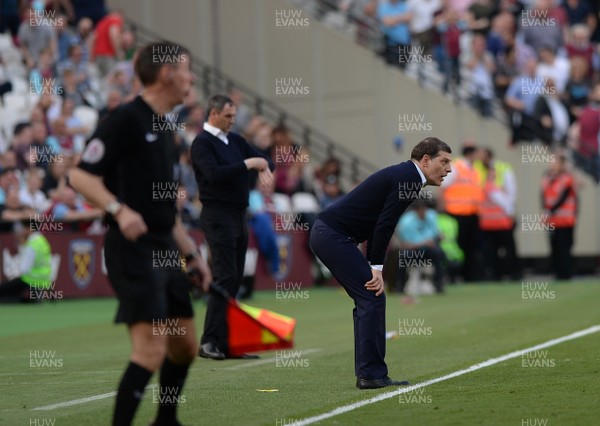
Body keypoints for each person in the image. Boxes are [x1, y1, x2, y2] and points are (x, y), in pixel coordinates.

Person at [69, 41, 212, 426]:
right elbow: (79, 175)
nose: (191, 77)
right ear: (167, 73)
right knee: (150, 350)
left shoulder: (165, 130)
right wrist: (118, 208)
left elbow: (168, 214)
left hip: (166, 247)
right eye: (186, 69)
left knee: (184, 346)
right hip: (132, 248)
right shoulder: (126, 119)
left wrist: (193, 258)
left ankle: (166, 420)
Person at [309, 137, 452, 389]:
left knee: (370, 297)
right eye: (444, 161)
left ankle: (370, 372)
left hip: (331, 234)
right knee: (372, 297)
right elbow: (385, 225)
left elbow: (378, 224)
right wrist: (376, 268)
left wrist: (373, 265)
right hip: (332, 235)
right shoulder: (408, 178)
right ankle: (371, 375)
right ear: (426, 160)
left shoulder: (408, 176)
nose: (449, 169)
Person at [190, 94, 275, 360]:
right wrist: (249, 165)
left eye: (233, 116)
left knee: (234, 278)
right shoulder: (202, 143)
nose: (231, 121)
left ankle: (228, 340)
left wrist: (262, 167)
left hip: (239, 214)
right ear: (213, 114)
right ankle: (210, 341)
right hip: (217, 214)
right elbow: (214, 176)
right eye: (227, 116)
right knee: (224, 277)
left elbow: (263, 159)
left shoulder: (235, 140)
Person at [474, 148, 521, 281]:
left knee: (508, 249)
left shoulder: (502, 168)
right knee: (490, 251)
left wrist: (510, 211)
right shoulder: (477, 168)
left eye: (481, 155)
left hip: (503, 220)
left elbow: (511, 193)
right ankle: (495, 274)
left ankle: (512, 273)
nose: (479, 158)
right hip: (487, 221)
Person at [440, 144, 484, 282]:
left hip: (471, 213)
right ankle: (458, 274)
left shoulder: (473, 170)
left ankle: (470, 275)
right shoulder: (457, 167)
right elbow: (443, 186)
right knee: (460, 245)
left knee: (472, 246)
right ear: (470, 154)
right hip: (456, 214)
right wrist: (442, 209)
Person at [396, 199, 446, 293]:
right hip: (413, 250)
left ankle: (439, 285)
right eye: (421, 210)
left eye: (424, 209)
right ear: (415, 211)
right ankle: (400, 286)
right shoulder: (406, 222)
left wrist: (439, 236)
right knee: (403, 256)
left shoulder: (431, 216)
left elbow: (436, 233)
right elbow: (404, 245)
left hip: (428, 249)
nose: (423, 212)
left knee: (439, 253)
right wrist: (423, 243)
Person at [541, 154, 578, 279]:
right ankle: (556, 272)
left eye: (555, 162)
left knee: (565, 247)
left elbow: (563, 198)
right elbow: (543, 195)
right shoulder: (546, 177)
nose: (551, 164)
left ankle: (566, 273)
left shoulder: (567, 178)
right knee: (554, 246)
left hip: (565, 220)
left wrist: (550, 210)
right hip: (552, 220)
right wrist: (545, 210)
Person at [0, 219, 52, 303]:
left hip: (30, 280)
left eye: (23, 228)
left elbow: (24, 268)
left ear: (30, 229)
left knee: (4, 292)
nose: (21, 231)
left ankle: (31, 300)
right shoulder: (42, 241)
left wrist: (21, 244)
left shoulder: (31, 244)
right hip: (43, 281)